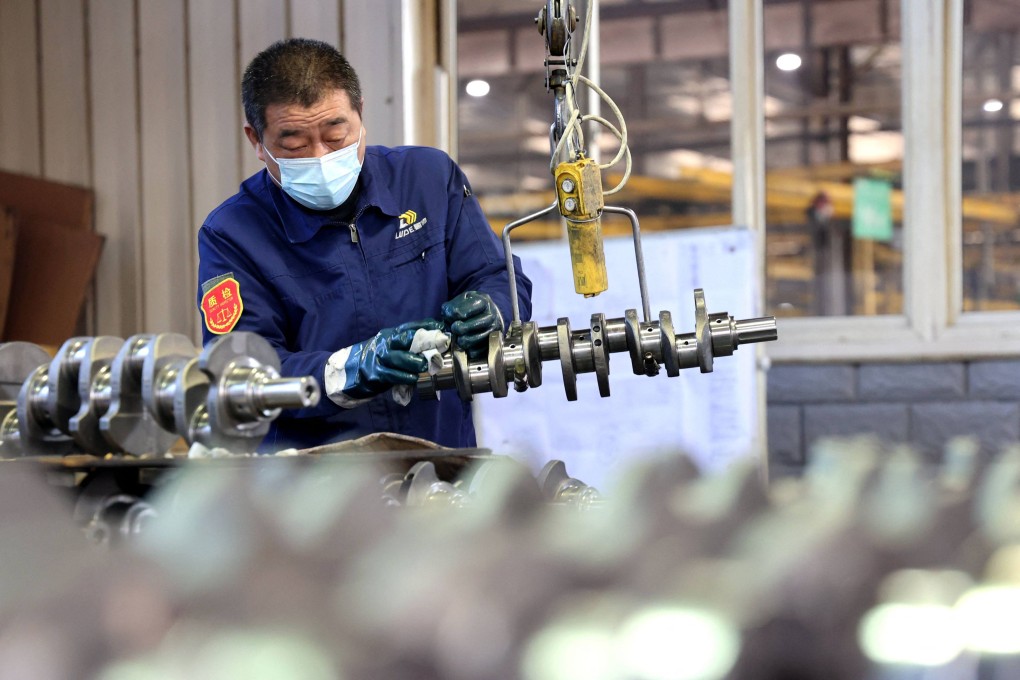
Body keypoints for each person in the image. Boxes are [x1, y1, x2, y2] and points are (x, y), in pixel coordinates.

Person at [196, 38, 532, 451]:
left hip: (441, 459)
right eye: (294, 145)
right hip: (312, 478)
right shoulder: (232, 235)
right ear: (256, 140)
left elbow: (495, 273)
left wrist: (493, 307)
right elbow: (242, 375)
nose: (320, 157)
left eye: (336, 135)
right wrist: (351, 369)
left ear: (360, 114)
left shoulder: (427, 179)